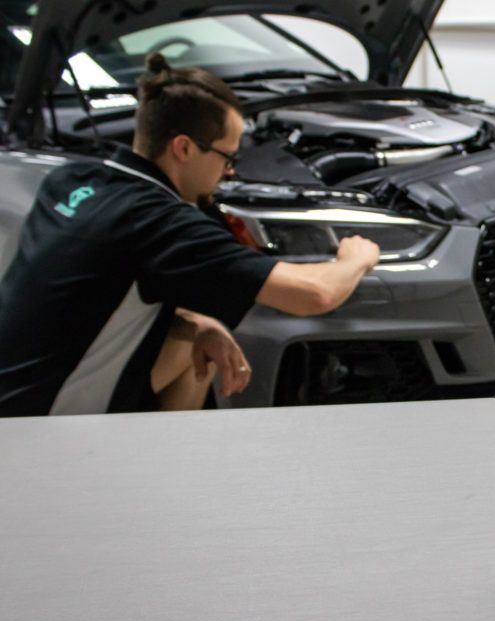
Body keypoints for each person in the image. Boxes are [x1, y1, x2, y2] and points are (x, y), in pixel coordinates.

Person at [0, 53, 380, 417]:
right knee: (197, 342)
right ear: (183, 148)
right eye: (227, 158)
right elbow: (314, 294)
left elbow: (94, 288)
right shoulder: (159, 221)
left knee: (198, 341)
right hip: (38, 429)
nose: (229, 173)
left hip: (13, 395)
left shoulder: (70, 181)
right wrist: (355, 258)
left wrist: (200, 324)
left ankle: (161, 470)